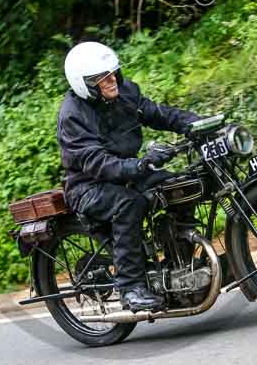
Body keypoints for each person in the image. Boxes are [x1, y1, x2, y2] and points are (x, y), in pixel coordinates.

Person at [56, 42, 200, 312]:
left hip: (129, 173)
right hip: (89, 185)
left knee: (180, 187)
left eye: (113, 73)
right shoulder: (73, 116)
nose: (113, 80)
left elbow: (159, 114)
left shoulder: (125, 93)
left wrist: (197, 123)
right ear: (85, 84)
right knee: (129, 203)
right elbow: (97, 163)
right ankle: (130, 287)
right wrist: (140, 165)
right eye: (103, 78)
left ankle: (180, 265)